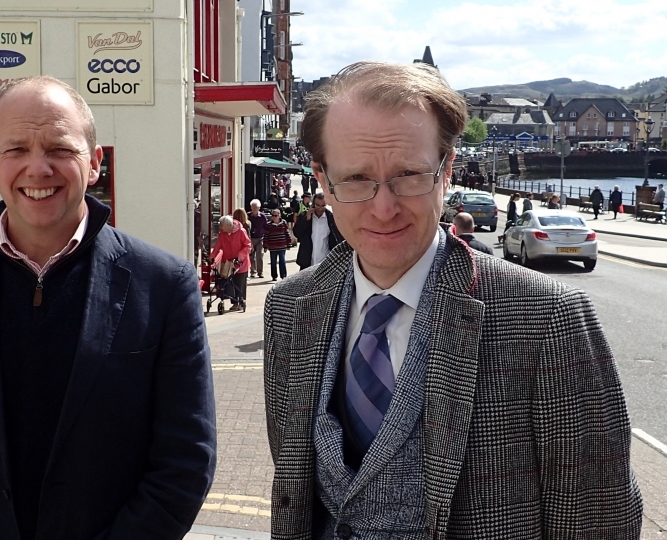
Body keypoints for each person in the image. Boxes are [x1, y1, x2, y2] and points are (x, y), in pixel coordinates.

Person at [263, 61, 642, 539]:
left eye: (409, 174)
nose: (384, 208)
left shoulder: (549, 320)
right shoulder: (288, 308)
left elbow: (598, 523)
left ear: (448, 171)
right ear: (322, 178)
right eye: (357, 178)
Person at [0, 76, 217, 540]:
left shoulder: (165, 287)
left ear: (95, 162)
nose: (38, 168)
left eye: (60, 148)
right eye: (15, 149)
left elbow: (185, 462)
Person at [292, 192, 343, 270]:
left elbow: (338, 238)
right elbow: (297, 233)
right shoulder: (305, 216)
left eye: (323, 206)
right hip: (307, 263)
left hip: (325, 263)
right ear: (313, 204)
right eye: (317, 205)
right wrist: (306, 220)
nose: (320, 208)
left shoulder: (331, 218)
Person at [210, 215, 251, 311]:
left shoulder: (241, 231)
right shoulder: (222, 233)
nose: (220, 228)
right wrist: (212, 256)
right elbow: (217, 246)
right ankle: (234, 302)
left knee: (240, 283)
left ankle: (241, 302)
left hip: (241, 262)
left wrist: (240, 256)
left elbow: (248, 246)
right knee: (230, 282)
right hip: (228, 262)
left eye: (222, 226)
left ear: (229, 225)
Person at [262, 208, 291, 281]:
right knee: (273, 262)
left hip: (282, 246)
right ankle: (274, 276)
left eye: (275, 215)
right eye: (273, 215)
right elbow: (266, 236)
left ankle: (283, 275)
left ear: (279, 216)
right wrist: (265, 246)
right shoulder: (269, 225)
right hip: (273, 246)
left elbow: (287, 233)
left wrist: (289, 243)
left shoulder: (284, 223)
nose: (274, 217)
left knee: (282, 260)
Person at [248, 199, 267, 278]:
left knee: (260, 256)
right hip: (251, 238)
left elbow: (266, 227)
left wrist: (266, 241)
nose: (254, 209)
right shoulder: (248, 215)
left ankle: (260, 272)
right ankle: (253, 271)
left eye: (256, 207)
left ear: (259, 208)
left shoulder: (262, 216)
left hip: (260, 238)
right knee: (252, 256)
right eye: (253, 207)